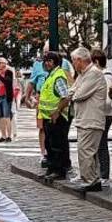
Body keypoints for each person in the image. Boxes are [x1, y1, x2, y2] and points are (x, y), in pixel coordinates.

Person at [67, 48, 110, 192]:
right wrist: (72, 93)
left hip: (91, 119)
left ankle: (91, 181)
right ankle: (91, 179)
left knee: (86, 151)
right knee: (86, 151)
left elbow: (78, 94)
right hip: (84, 119)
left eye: (74, 61)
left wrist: (72, 94)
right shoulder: (83, 75)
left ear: (80, 60)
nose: (73, 64)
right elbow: (72, 90)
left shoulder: (94, 74)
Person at [36, 52, 73, 182]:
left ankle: (59, 170)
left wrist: (57, 111)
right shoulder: (50, 75)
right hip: (48, 117)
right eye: (45, 61)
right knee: (49, 144)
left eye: (50, 61)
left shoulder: (58, 76)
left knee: (57, 144)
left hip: (57, 117)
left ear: (56, 62)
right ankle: (52, 168)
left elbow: (65, 97)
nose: (47, 63)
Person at [91, 49, 112, 187]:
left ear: (96, 61)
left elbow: (107, 98)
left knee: (101, 144)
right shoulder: (101, 75)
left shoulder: (105, 75)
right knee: (97, 144)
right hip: (99, 113)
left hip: (104, 114)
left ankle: (104, 174)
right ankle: (97, 173)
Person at [0, 57, 17, 143]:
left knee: (7, 117)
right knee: (1, 117)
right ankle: (3, 135)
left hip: (6, 96)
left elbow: (8, 82)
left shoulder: (8, 72)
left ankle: (9, 136)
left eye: (0, 63)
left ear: (4, 64)